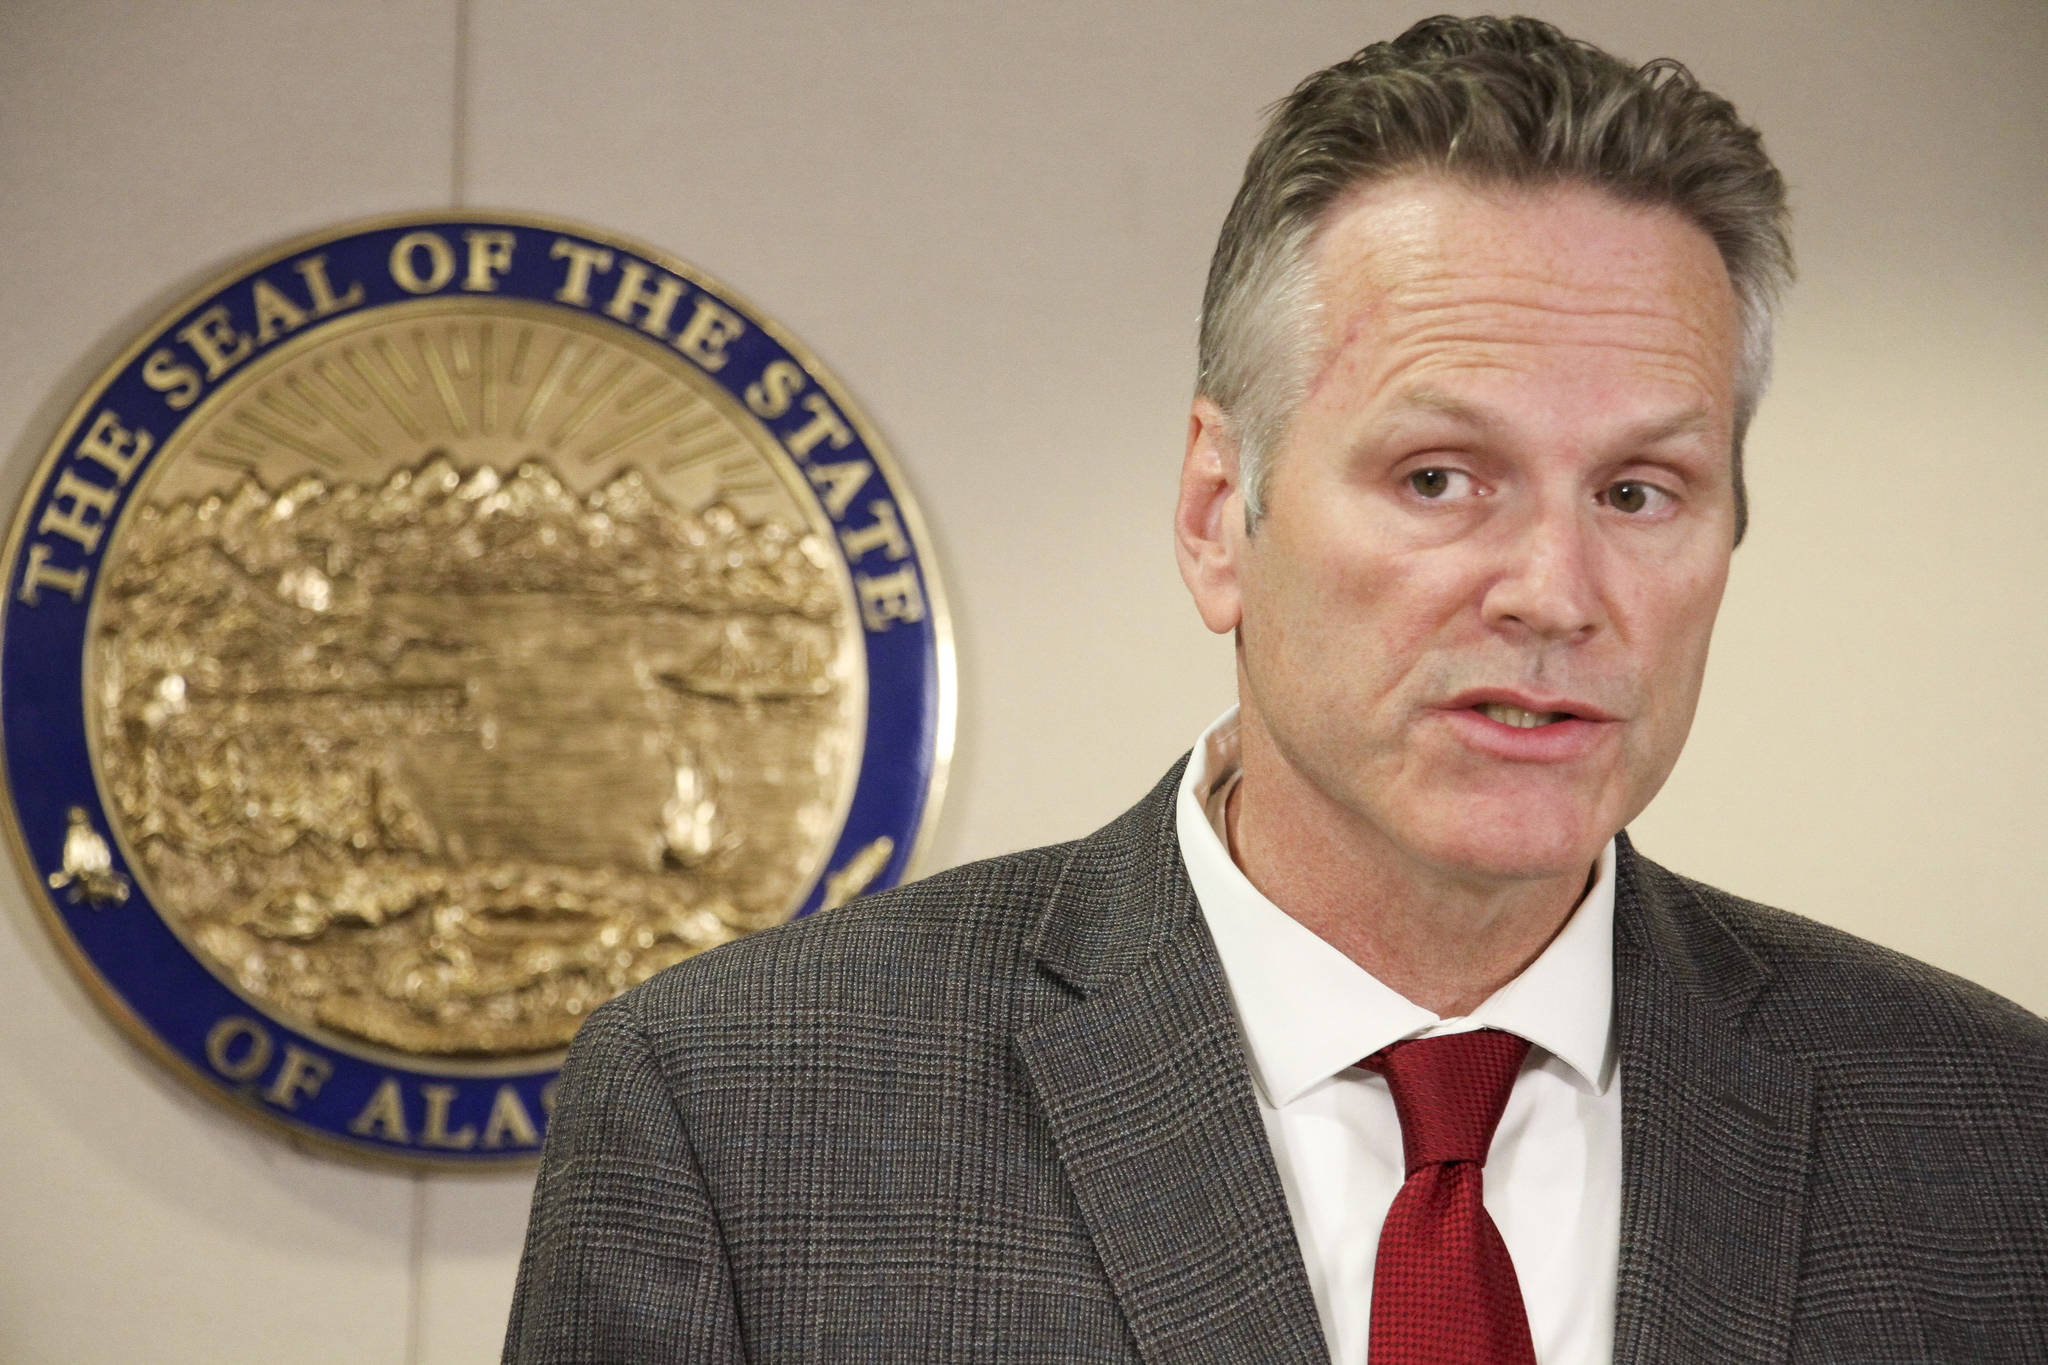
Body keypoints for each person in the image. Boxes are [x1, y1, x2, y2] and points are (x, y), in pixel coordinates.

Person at [504, 16, 2048, 1363]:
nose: (1557, 592)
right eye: (1442, 475)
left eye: (1642, 490)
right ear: (1213, 512)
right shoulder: (741, 1116)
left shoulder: (1990, 1133)